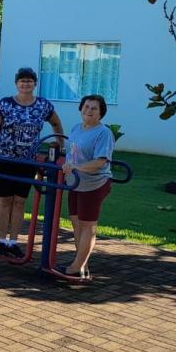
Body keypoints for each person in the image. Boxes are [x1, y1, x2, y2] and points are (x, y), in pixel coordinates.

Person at [0, 67, 65, 259]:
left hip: (27, 161)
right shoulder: (5, 104)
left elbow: (56, 123)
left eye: (29, 81)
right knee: (4, 200)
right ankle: (2, 241)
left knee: (20, 201)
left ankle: (13, 242)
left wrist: (60, 144)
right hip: (4, 159)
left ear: (35, 84)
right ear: (16, 84)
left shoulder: (43, 105)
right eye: (22, 80)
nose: (25, 84)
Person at [60, 94, 115, 279]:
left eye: (94, 108)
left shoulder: (103, 133)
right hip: (75, 182)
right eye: (86, 106)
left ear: (101, 113)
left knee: (87, 225)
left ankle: (77, 267)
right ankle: (82, 264)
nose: (89, 111)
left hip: (94, 184)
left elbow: (100, 161)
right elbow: (72, 154)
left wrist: (77, 167)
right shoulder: (76, 128)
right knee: (76, 222)